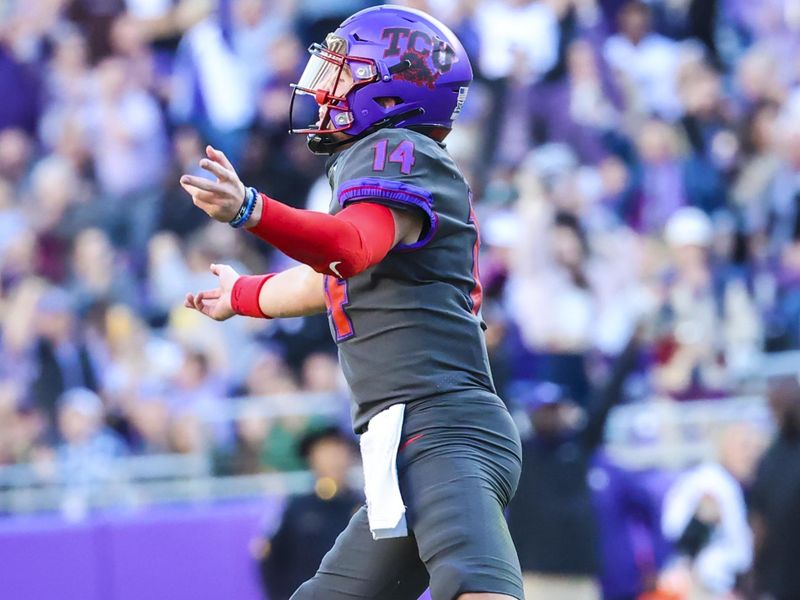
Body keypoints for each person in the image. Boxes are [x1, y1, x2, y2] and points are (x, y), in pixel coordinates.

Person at [179, 6, 523, 600]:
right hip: (405, 435)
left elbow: (351, 247)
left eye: (345, 69)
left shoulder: (398, 150)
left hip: (440, 424)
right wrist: (242, 294)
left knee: (478, 588)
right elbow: (329, 278)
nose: (323, 83)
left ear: (390, 94)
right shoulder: (383, 167)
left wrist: (250, 210)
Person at [258, 425, 362, 600]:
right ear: (312, 459)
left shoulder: (363, 507)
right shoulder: (297, 508)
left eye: (339, 451)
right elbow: (272, 563)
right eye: (325, 453)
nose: (334, 460)